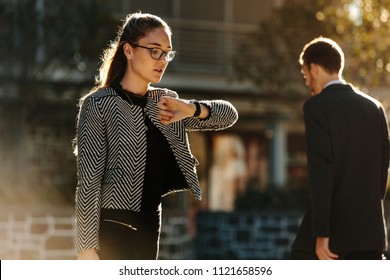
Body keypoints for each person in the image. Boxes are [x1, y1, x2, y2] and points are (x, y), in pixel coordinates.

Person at [73, 12, 238, 260]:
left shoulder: (166, 102)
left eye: (167, 52)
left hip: (151, 224)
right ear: (128, 50)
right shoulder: (98, 104)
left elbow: (229, 115)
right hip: (113, 225)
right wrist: (86, 248)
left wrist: (190, 108)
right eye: (154, 50)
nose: (162, 59)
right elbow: (89, 181)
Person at [290, 37, 389, 260]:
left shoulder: (316, 107)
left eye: (305, 73)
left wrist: (322, 233)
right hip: (370, 236)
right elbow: (383, 172)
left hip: (331, 238)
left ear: (314, 69)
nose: (307, 81)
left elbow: (322, 170)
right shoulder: (375, 108)